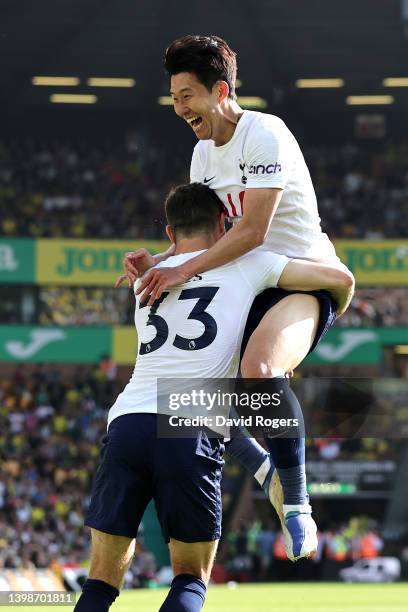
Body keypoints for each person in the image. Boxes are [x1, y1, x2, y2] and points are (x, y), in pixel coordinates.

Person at [119, 35, 355, 561]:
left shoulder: (265, 133)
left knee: (259, 367)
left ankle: (296, 503)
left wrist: (186, 269)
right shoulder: (203, 154)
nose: (179, 109)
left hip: (301, 277)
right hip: (244, 279)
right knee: (182, 390)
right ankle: (262, 465)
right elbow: (205, 233)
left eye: (186, 96)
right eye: (174, 98)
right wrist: (161, 260)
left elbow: (250, 231)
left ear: (220, 90)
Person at [77, 183, 353, 612]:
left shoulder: (144, 282)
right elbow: (337, 281)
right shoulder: (248, 263)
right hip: (191, 430)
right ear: (225, 223)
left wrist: (162, 258)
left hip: (128, 422)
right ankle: (283, 488)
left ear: (169, 234)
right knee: (190, 578)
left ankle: (264, 469)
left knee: (99, 583)